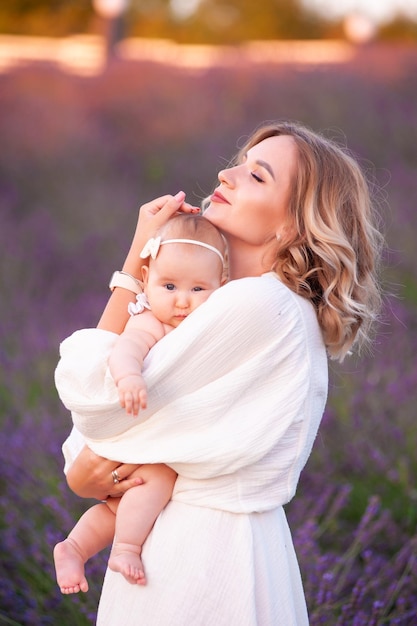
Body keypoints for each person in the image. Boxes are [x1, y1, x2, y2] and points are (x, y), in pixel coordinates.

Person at [54, 121, 383, 625]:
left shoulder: (263, 305)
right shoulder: (224, 304)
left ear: (292, 225)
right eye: (238, 162)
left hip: (204, 563)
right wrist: (145, 260)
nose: (226, 174)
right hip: (170, 545)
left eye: (257, 176)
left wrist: (138, 260)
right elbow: (99, 419)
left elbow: (96, 403)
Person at [53, 214, 227, 593]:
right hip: (129, 429)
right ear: (146, 280)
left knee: (118, 507)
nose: (182, 300)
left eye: (198, 289)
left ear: (222, 287)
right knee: (156, 480)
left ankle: (73, 547)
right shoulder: (151, 321)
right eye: (169, 285)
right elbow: (125, 350)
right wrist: (130, 375)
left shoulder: (209, 325)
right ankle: (125, 549)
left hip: (156, 438)